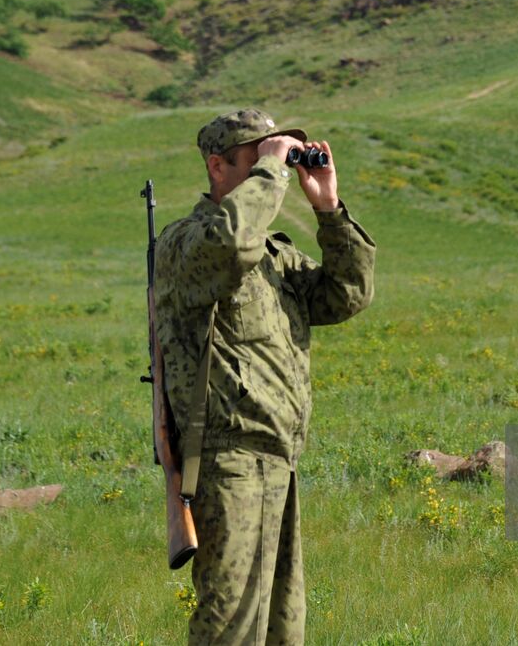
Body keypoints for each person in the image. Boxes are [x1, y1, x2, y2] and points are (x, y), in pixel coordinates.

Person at [155, 108, 376, 645]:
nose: (274, 170)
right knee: (230, 625)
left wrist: (328, 209)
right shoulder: (187, 243)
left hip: (280, 457)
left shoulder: (275, 254)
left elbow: (347, 295)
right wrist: (274, 174)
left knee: (282, 628)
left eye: (277, 158)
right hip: (227, 460)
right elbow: (231, 245)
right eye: (258, 159)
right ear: (217, 167)